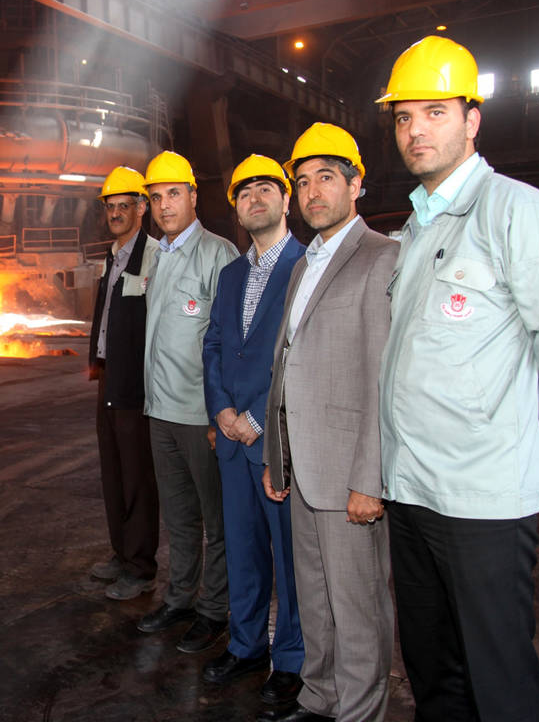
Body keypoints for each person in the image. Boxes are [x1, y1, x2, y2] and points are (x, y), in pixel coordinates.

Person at [376, 36, 539, 722]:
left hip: (482, 501)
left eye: (435, 112)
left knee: (498, 682)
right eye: (403, 116)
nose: (415, 130)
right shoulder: (415, 229)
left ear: (472, 120)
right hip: (411, 491)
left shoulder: (517, 212)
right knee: (433, 673)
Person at [260, 124, 398, 722]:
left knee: (357, 607)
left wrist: (370, 479)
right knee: (314, 600)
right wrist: (276, 457)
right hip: (302, 469)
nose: (312, 192)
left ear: (355, 184)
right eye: (303, 181)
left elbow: (383, 379)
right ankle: (319, 697)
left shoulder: (381, 256)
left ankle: (360, 711)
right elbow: (285, 365)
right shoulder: (303, 264)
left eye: (326, 178)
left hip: (348, 477)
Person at [201, 155, 305, 704]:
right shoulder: (231, 274)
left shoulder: (306, 265)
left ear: (286, 200)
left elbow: (303, 356)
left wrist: (259, 420)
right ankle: (245, 646)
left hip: (277, 443)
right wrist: (220, 410)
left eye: (266, 189)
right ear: (237, 210)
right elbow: (215, 344)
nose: (255, 199)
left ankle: (291, 659)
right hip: (231, 441)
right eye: (245, 194)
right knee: (243, 551)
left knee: (290, 558)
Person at [139, 150, 238, 653]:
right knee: (178, 518)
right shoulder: (156, 254)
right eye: (156, 197)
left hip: (201, 416)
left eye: (173, 194)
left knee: (216, 522)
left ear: (194, 196)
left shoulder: (219, 254)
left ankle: (214, 609)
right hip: (159, 412)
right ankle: (179, 598)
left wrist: (221, 413)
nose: (164, 205)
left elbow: (229, 340)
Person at [86, 166, 160, 601]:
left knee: (137, 476)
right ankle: (120, 551)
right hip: (109, 377)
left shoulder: (153, 256)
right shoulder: (111, 256)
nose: (115, 213)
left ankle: (140, 565)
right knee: (113, 471)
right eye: (110, 207)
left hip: (136, 383)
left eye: (123, 206)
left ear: (141, 208)